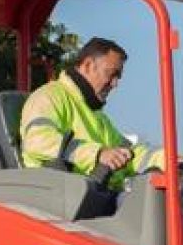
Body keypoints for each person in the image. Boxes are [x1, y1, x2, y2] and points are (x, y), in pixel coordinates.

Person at [18, 37, 165, 189]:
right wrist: (97, 154)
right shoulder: (49, 96)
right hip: (58, 198)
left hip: (92, 197)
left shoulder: (97, 115)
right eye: (111, 74)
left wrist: (168, 160)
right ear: (88, 65)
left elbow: (129, 154)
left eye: (118, 77)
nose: (115, 84)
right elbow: (37, 141)